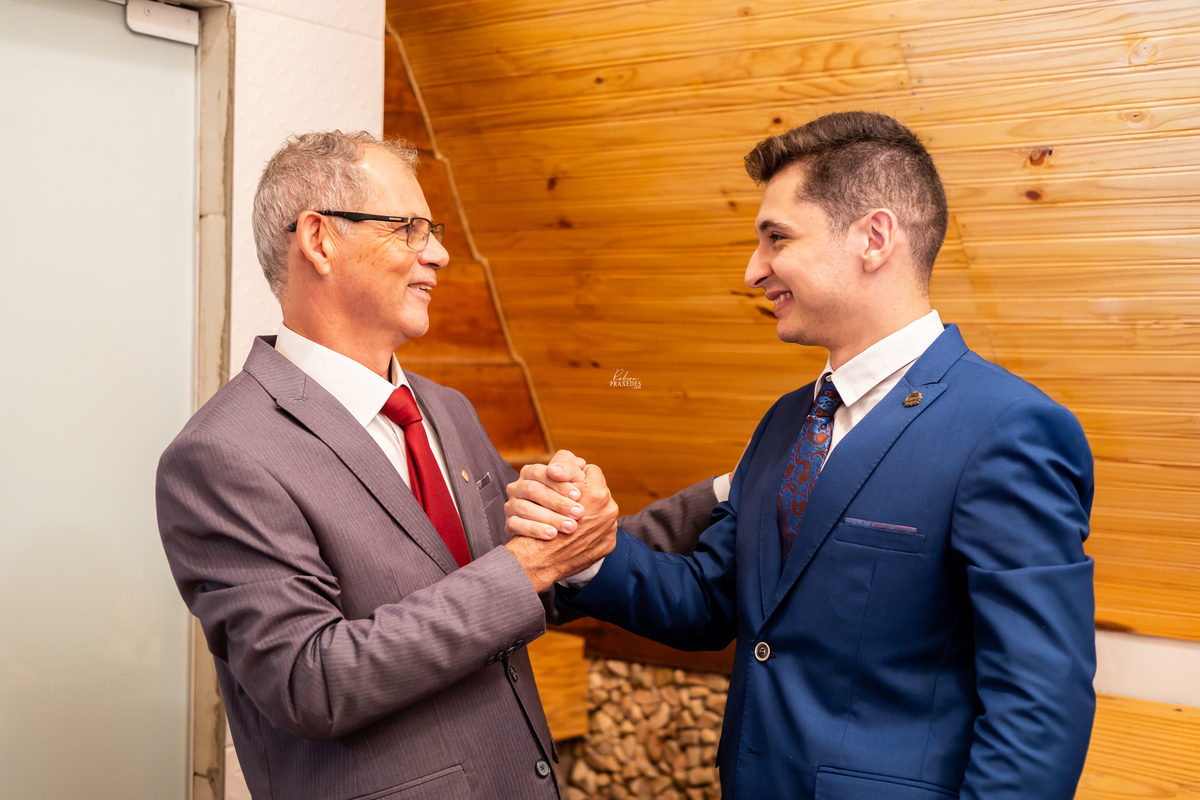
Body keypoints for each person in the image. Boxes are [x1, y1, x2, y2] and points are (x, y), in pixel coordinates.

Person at [506, 112, 1097, 800]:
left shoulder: (1008, 429)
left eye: (776, 238)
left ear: (874, 238)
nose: (754, 271)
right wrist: (591, 546)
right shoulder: (790, 420)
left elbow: (1039, 706)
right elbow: (710, 599)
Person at [155, 131, 720, 800]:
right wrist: (525, 567)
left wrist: (728, 491)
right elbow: (312, 680)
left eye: (435, 230)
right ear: (319, 239)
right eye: (409, 229)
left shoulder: (443, 410)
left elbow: (532, 583)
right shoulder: (223, 455)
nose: (440, 254)